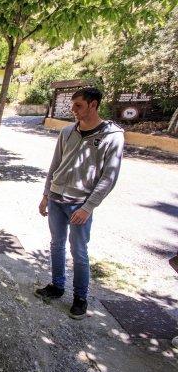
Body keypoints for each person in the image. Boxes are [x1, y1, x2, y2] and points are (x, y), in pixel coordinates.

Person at [35, 87, 125, 319]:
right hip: (56, 198)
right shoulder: (66, 132)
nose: (73, 110)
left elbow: (109, 177)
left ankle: (80, 298)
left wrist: (88, 207)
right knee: (56, 244)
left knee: (79, 251)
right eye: (73, 106)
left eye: (78, 106)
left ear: (93, 105)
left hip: (79, 204)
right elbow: (54, 166)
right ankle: (56, 285)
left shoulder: (111, 136)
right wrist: (46, 195)